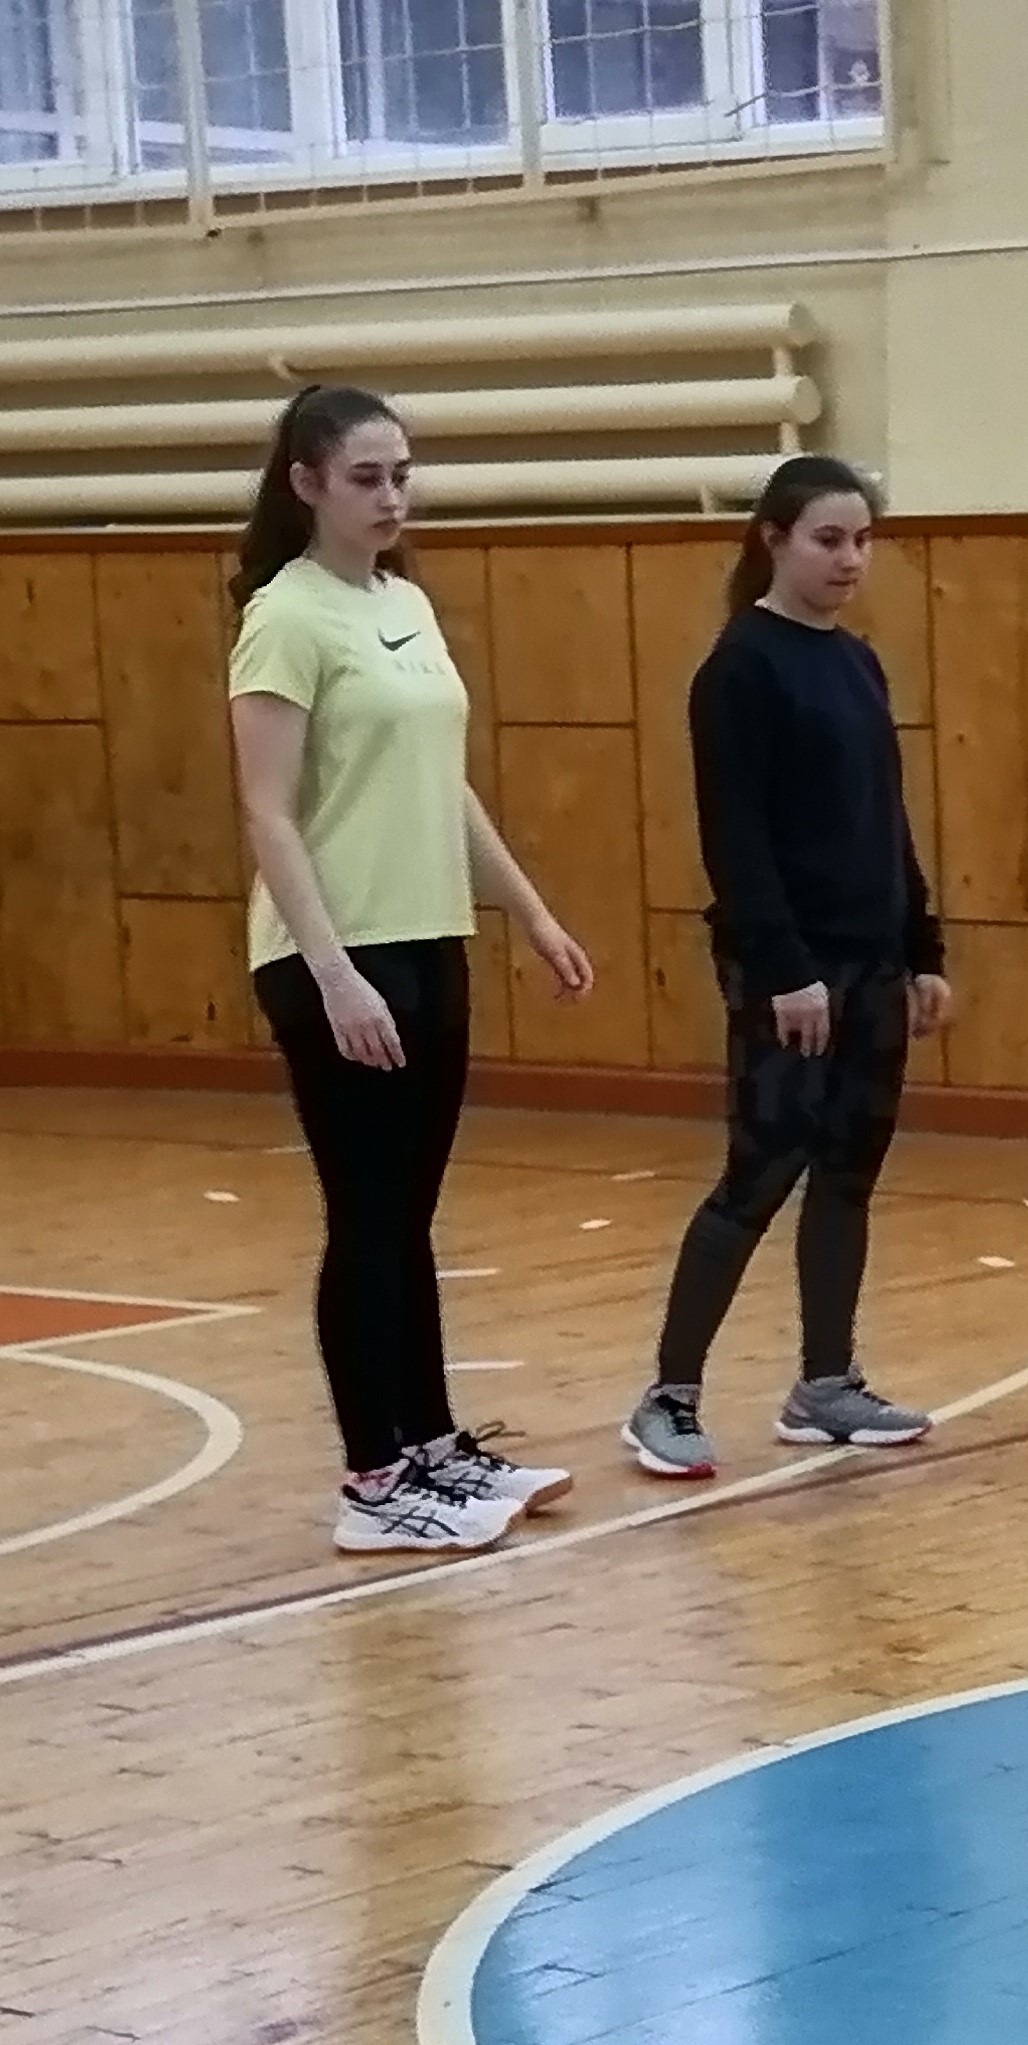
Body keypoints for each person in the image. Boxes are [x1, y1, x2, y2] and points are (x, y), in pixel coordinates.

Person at [228, 384, 592, 1556]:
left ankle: (431, 1444)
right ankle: (373, 1478)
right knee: (367, 1212)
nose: (391, 498)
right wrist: (332, 972)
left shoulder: (406, 603)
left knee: (409, 1214)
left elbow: (444, 783)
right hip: (336, 952)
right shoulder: (286, 617)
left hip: (429, 937)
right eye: (366, 478)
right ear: (307, 485)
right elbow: (267, 811)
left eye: (401, 475)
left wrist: (529, 911)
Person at [623, 455, 953, 1478]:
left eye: (862, 540)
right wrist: (784, 969)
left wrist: (921, 950)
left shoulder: (857, 663)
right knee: (759, 1174)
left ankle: (825, 1385)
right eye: (828, 539)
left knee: (848, 1173)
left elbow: (886, 820)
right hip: (790, 974)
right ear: (774, 539)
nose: (850, 559)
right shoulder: (739, 670)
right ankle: (668, 1395)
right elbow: (737, 838)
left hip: (871, 964)